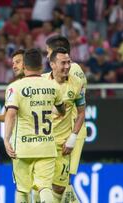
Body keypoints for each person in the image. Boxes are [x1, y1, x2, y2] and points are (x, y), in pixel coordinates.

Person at [4, 48, 66, 203]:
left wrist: (6, 139)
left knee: (22, 189)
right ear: (42, 66)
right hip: (46, 146)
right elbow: (62, 110)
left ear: (24, 66)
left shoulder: (14, 87)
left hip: (22, 148)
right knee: (45, 187)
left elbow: (10, 114)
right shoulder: (53, 86)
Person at [46, 35, 87, 202]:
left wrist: (73, 136)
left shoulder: (74, 70)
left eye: (48, 52)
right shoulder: (46, 77)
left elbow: (78, 103)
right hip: (58, 132)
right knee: (59, 182)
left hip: (71, 129)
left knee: (64, 180)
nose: (46, 56)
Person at [0, 49, 25, 122]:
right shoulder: (13, 88)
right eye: (13, 63)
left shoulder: (42, 82)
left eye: (18, 62)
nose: (14, 66)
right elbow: (8, 116)